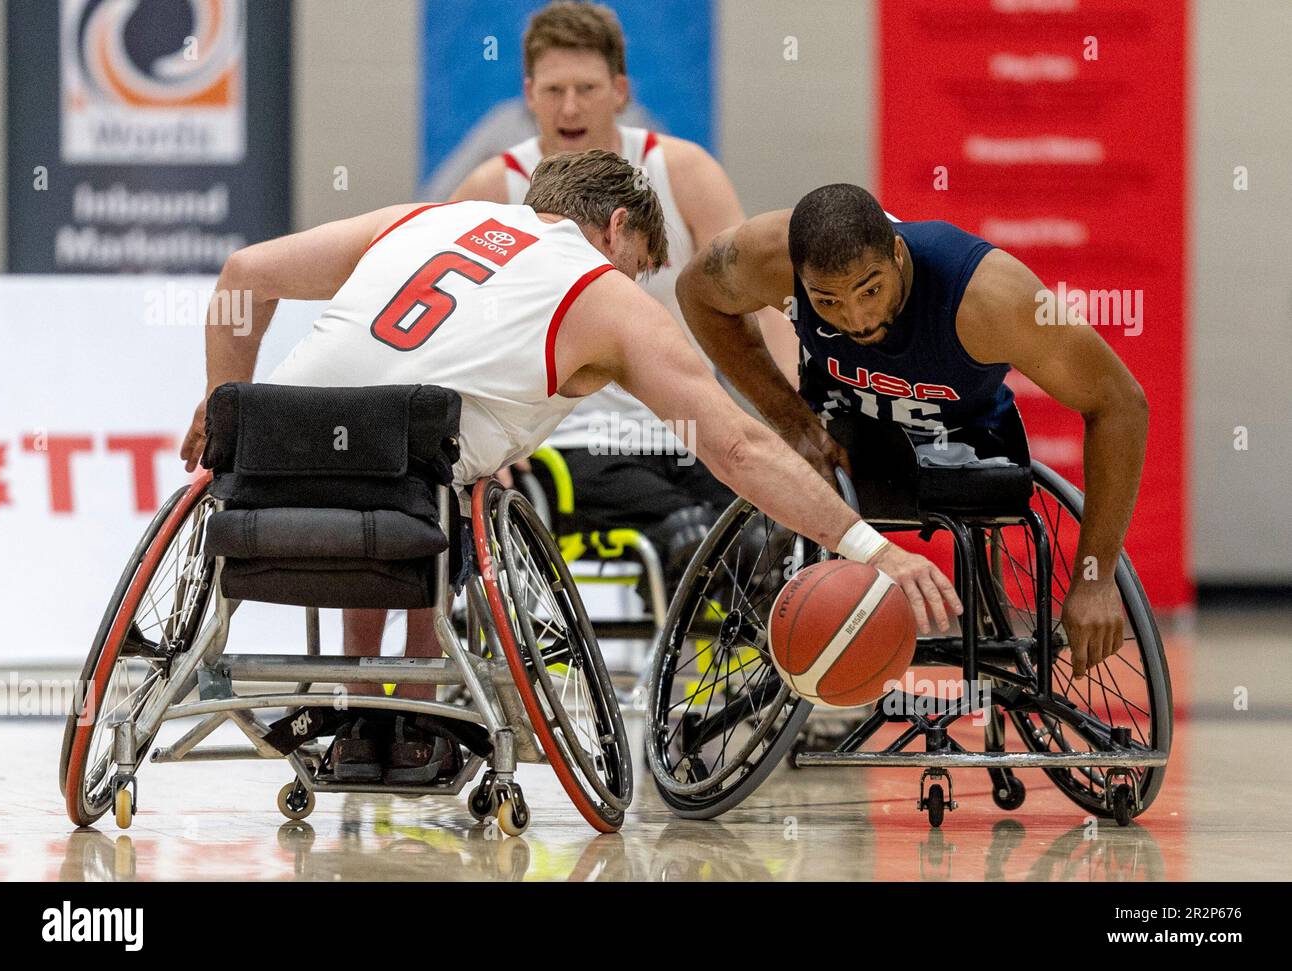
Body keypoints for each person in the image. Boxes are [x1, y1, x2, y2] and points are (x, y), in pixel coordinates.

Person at [179, 152, 961, 781]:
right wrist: (870, 545)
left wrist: (223, 415)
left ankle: (365, 721)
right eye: (640, 266)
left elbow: (245, 273)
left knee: (432, 468)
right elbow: (739, 448)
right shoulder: (602, 295)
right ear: (616, 229)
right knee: (438, 481)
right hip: (406, 502)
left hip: (267, 470)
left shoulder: (425, 218)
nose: (635, 285)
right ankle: (406, 726)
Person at [675, 183, 1149, 680]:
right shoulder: (766, 253)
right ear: (798, 279)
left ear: (897, 254)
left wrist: (1095, 579)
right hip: (845, 431)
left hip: (962, 435)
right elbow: (697, 293)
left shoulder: (991, 296)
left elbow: (1120, 404)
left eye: (871, 289)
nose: (856, 318)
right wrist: (792, 423)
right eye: (827, 301)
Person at [451, 1, 797, 586]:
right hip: (566, 441)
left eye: (585, 88)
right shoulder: (495, 187)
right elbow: (451, 321)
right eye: (554, 89)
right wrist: (470, 440)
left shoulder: (682, 172)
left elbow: (758, 304)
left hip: (685, 426)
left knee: (780, 531)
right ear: (529, 94)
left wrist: (793, 414)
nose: (569, 107)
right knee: (692, 533)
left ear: (619, 90)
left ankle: (767, 676)